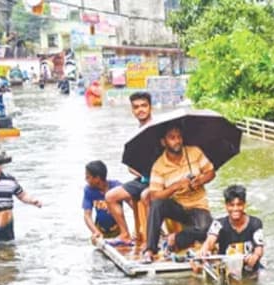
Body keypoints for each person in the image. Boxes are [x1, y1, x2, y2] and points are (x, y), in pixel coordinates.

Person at [139, 123, 215, 261]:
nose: (177, 141)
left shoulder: (194, 152)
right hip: (177, 206)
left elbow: (211, 173)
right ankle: (150, 249)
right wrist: (175, 186)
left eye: (179, 137)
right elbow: (155, 195)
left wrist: (200, 181)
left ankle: (175, 238)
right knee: (157, 204)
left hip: (198, 205)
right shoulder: (159, 165)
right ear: (164, 142)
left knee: (209, 230)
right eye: (172, 138)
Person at [104, 91, 154, 246]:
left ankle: (152, 237)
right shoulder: (136, 133)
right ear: (132, 110)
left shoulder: (158, 129)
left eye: (144, 106)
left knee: (146, 195)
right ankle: (125, 234)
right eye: (136, 107)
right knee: (111, 196)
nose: (141, 110)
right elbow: (131, 166)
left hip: (160, 179)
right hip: (143, 179)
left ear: (150, 107)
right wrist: (139, 172)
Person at [195, 185, 265, 276]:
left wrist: (255, 256)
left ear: (244, 205)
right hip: (226, 269)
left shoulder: (255, 223)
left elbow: (259, 248)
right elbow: (210, 241)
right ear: (226, 206)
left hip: (250, 267)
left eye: (239, 205)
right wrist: (204, 250)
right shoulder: (218, 224)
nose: (235, 209)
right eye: (231, 205)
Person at [0, 164, 42, 241]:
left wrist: (32, 201)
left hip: (7, 223)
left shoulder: (9, 179)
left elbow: (22, 195)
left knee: (9, 246)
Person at [82, 160, 121, 241]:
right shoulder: (89, 190)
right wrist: (95, 232)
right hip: (100, 228)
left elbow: (133, 203)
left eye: (88, 177)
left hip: (118, 228)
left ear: (97, 178)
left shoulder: (117, 186)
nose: (85, 179)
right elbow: (87, 215)